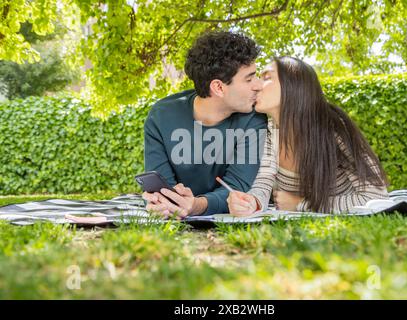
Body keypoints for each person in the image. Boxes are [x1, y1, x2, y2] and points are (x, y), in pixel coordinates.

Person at [227, 57, 389, 215]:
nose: (256, 86)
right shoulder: (269, 133)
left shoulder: (334, 128)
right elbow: (263, 183)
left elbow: (375, 197)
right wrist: (250, 203)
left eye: (267, 77)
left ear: (295, 85)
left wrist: (301, 204)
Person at [142, 31, 267, 218]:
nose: (258, 85)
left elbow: (238, 186)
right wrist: (161, 202)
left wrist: (196, 205)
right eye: (249, 79)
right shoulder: (161, 116)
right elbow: (162, 186)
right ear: (218, 87)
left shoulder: (254, 119)